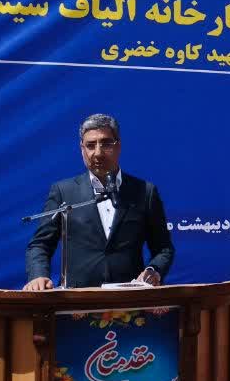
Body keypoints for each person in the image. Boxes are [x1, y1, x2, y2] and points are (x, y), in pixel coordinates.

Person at [24, 114, 175, 290]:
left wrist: (153, 270)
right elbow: (40, 244)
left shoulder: (145, 192)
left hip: (129, 297)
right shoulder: (63, 192)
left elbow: (164, 248)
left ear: (118, 146)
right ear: (82, 149)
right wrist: (38, 275)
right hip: (77, 298)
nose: (98, 153)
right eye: (90, 145)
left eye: (106, 144)